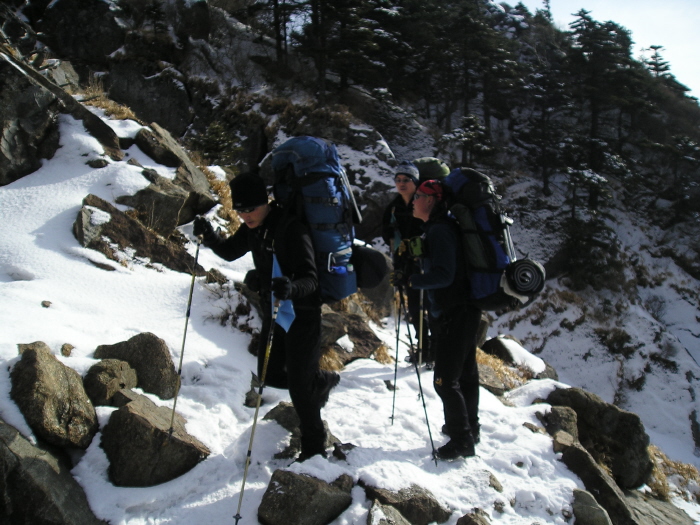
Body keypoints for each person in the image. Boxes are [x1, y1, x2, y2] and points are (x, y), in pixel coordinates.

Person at [193, 173, 339, 461]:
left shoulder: (291, 229)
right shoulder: (254, 229)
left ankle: (314, 446)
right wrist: (209, 236)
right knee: (269, 374)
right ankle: (320, 381)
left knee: (298, 387)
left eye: (251, 209)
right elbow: (231, 252)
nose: (246, 215)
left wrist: (290, 287)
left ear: (265, 203)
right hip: (274, 312)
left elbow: (311, 279)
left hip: (302, 313)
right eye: (240, 210)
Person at [400, 179, 482, 460]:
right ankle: (470, 428)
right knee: (467, 374)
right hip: (465, 310)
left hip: (454, 313)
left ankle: (462, 441)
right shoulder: (439, 229)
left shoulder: (440, 231)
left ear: (432, 200)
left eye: (420, 195)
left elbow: (444, 276)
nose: (414, 200)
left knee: (444, 381)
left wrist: (412, 280)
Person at [381, 161, 430, 364]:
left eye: (406, 180)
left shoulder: (424, 203)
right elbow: (386, 233)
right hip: (404, 263)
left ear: (415, 182)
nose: (401, 183)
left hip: (426, 262)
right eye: (398, 180)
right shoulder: (393, 207)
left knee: (428, 306)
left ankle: (431, 348)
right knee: (414, 309)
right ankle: (423, 348)